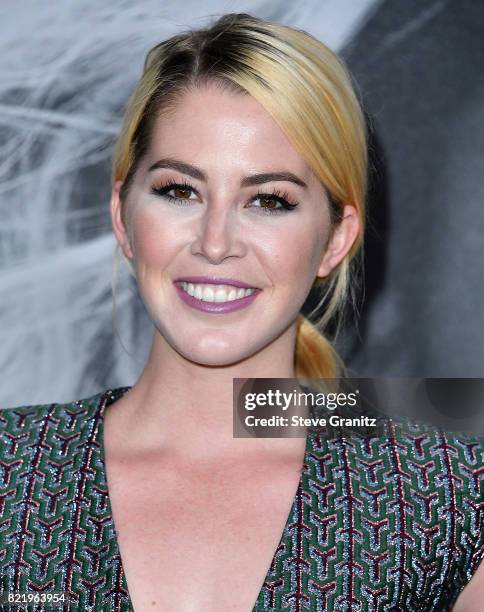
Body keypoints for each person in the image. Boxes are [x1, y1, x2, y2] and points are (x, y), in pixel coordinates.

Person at [0, 12, 482, 612]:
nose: (216, 241)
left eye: (269, 200)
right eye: (180, 190)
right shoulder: (11, 473)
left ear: (335, 238)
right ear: (124, 217)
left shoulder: (448, 500)